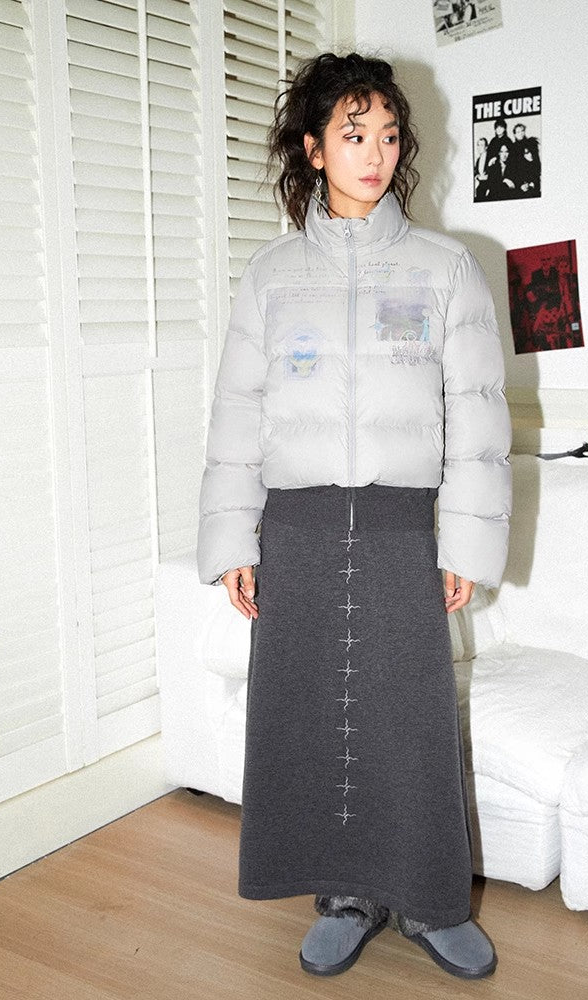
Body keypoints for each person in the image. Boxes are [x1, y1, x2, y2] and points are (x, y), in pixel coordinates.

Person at [196, 52, 512, 980]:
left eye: (388, 136)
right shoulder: (270, 274)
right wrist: (232, 539)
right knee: (305, 719)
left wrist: (466, 542)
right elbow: (237, 414)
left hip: (399, 529)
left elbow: (477, 417)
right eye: (353, 133)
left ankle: (431, 901)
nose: (375, 154)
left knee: (409, 725)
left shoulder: (446, 268)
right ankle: (342, 896)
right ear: (314, 147)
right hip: (294, 530)